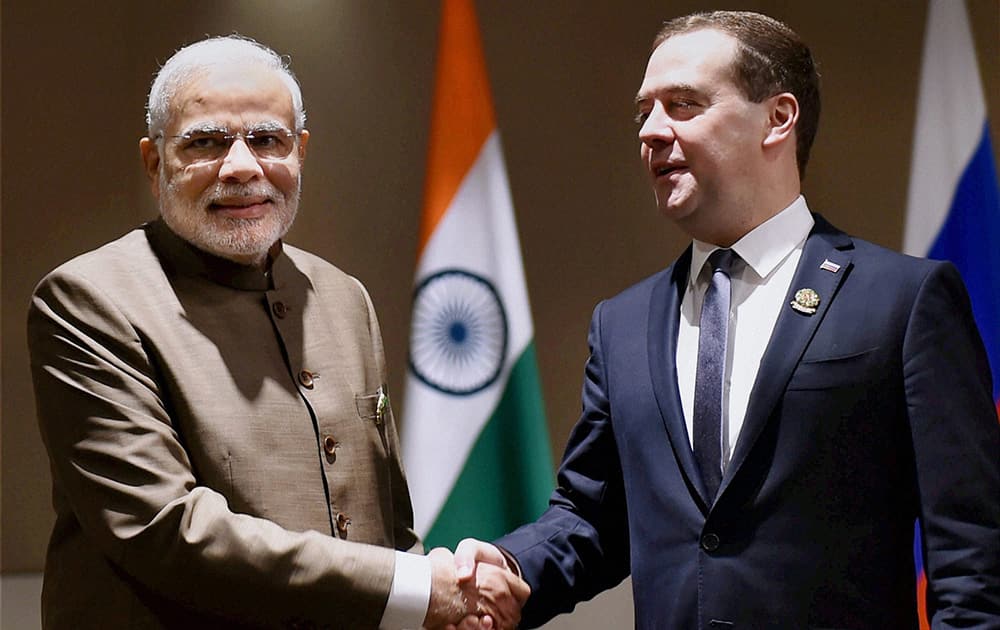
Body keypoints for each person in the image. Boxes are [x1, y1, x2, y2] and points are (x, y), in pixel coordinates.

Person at [454, 10, 1000, 629]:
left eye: (683, 105)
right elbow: (593, 517)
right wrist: (511, 568)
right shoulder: (622, 326)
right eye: (644, 112)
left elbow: (972, 560)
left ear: (778, 119)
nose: (652, 132)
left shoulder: (904, 301)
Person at [28, 35, 526, 629]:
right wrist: (420, 591)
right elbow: (169, 533)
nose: (242, 167)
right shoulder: (88, 300)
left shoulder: (345, 298)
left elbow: (389, 527)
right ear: (155, 162)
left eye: (267, 140)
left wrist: (441, 607)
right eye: (206, 143)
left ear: (300, 153)